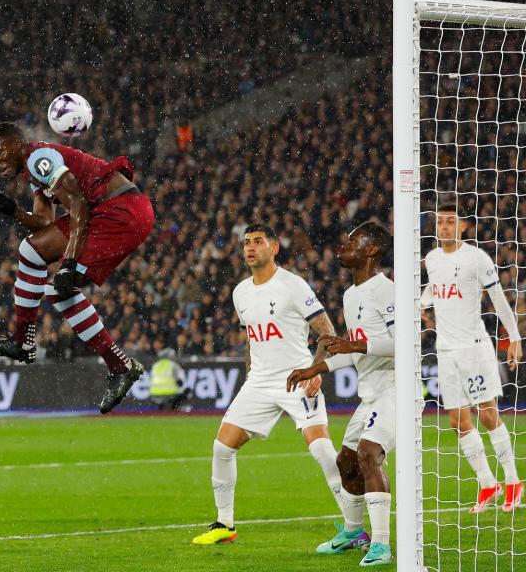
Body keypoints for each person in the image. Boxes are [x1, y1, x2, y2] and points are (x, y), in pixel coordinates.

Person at [0, 121, 154, 413]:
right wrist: (15, 212)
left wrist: (68, 262)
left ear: (15, 145)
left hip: (120, 211)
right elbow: (44, 222)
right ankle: (25, 342)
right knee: (31, 251)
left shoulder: (38, 159)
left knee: (59, 287)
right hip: (113, 209)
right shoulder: (34, 169)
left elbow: (78, 204)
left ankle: (118, 366)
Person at [192, 224, 343, 545]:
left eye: (258, 242)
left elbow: (326, 329)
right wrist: (250, 375)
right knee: (222, 447)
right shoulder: (240, 292)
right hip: (259, 381)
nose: (250, 248)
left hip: (297, 377)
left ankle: (354, 526)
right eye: (246, 243)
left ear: (274, 248)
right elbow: (251, 340)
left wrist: (316, 370)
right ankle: (224, 523)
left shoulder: (292, 285)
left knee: (322, 450)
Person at [287, 222, 395, 566]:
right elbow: (354, 351)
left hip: (397, 389)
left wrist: (355, 343)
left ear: (372, 250)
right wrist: (315, 368)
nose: (344, 245)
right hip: (370, 393)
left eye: (353, 241)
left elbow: (407, 345)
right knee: (346, 463)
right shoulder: (351, 295)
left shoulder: (388, 291)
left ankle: (381, 545)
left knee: (368, 454)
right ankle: (353, 533)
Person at [421, 203, 522, 512]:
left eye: (451, 222)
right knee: (457, 421)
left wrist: (515, 336)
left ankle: (514, 481)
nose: (445, 227)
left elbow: (497, 299)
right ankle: (487, 483)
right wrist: (420, 305)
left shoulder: (476, 258)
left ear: (463, 226)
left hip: (474, 347)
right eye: (441, 222)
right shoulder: (431, 259)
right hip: (446, 350)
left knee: (488, 413)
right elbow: (433, 290)